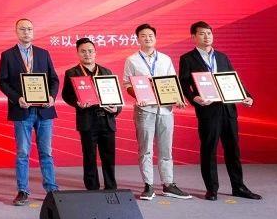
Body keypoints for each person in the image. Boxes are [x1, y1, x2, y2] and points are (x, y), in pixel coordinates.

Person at [178, 21, 261, 201]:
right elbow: (183, 84)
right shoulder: (188, 58)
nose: (206, 37)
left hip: (228, 109)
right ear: (193, 37)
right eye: (202, 33)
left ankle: (238, 186)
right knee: (209, 149)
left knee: (233, 149)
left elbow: (234, 80)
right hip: (208, 110)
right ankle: (212, 189)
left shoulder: (222, 57)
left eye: (209, 33)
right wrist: (194, 98)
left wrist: (247, 96)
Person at [122, 23, 192, 201]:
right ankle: (148, 185)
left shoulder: (165, 59)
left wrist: (178, 98)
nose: (147, 38)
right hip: (144, 109)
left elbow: (172, 82)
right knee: (145, 149)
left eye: (150, 35)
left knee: (166, 149)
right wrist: (137, 95)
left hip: (166, 110)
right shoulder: (132, 60)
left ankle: (168, 184)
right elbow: (127, 84)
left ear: (155, 38)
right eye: (143, 36)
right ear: (138, 39)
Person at [0, 17, 60, 206]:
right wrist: (17, 98)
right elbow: (2, 82)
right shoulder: (8, 55)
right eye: (23, 29)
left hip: (44, 111)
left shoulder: (43, 53)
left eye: (29, 29)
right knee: (23, 152)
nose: (26, 32)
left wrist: (51, 97)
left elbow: (54, 79)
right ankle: (23, 190)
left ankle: (52, 188)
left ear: (33, 31)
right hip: (22, 110)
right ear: (16, 32)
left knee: (46, 152)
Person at [61, 38, 120, 191]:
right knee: (89, 156)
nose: (87, 54)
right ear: (78, 53)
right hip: (87, 120)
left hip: (107, 120)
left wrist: (116, 109)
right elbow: (66, 95)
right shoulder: (72, 73)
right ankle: (92, 188)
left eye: (90, 51)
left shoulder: (106, 72)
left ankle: (111, 187)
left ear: (95, 53)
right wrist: (77, 103)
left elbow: (116, 96)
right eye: (83, 51)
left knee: (109, 156)